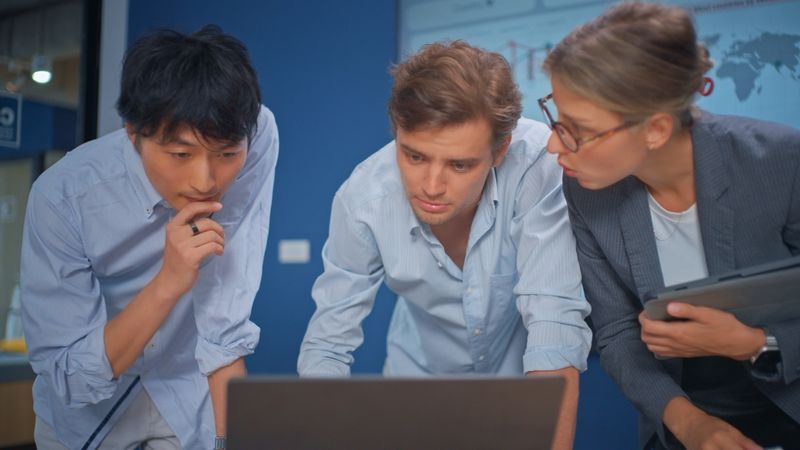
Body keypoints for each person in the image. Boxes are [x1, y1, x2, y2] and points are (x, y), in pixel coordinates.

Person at [298, 40, 591, 449]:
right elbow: (329, 342)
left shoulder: (536, 164)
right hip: (415, 387)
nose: (431, 187)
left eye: (459, 164)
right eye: (414, 156)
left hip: (521, 391)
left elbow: (553, 320)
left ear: (499, 151)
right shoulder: (363, 199)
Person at [540, 3, 800, 449]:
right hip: (681, 416)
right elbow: (618, 332)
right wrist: (689, 423)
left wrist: (755, 343)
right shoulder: (586, 193)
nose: (551, 145)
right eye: (555, 119)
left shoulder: (781, 162)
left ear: (656, 129)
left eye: (576, 130)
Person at [21, 25, 278, 450]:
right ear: (132, 132)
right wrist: (169, 281)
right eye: (180, 154)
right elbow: (69, 376)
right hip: (88, 417)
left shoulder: (257, 133)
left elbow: (226, 304)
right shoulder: (63, 197)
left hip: (185, 397)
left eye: (227, 154)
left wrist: (232, 438)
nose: (205, 180)